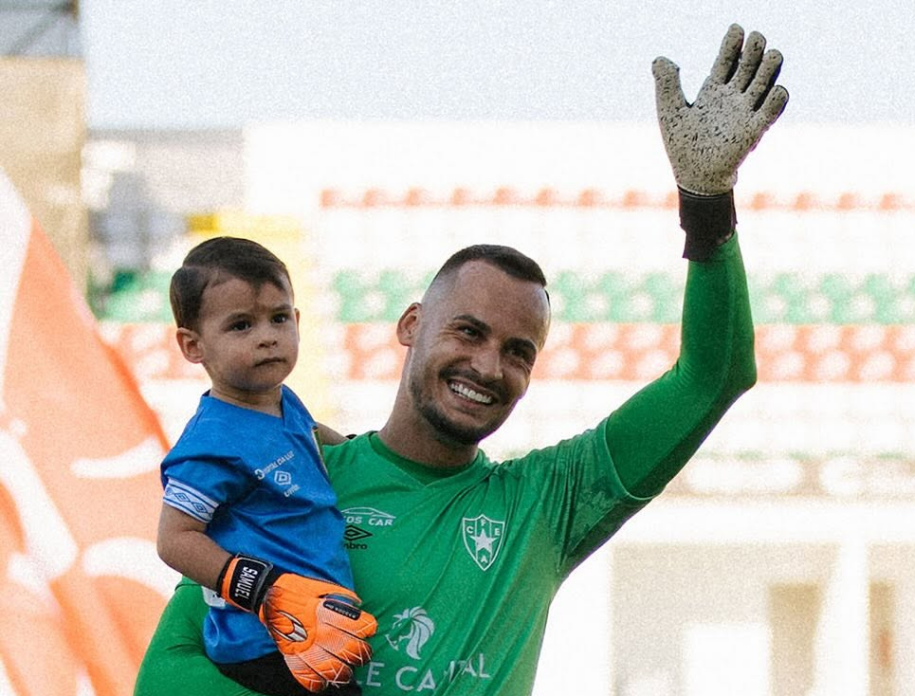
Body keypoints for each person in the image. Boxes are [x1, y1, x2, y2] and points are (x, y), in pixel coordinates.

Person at [135, 23, 788, 695]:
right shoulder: (292, 474)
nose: (487, 365)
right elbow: (165, 677)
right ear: (412, 325)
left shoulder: (549, 504)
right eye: (468, 332)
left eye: (518, 352)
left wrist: (706, 204)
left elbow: (713, 376)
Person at [157, 237, 377, 695]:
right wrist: (267, 590)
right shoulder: (210, 443)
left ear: (297, 320)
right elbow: (174, 539)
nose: (267, 335)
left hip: (321, 624)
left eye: (279, 317)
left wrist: (367, 454)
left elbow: (309, 432)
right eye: (241, 325)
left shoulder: (281, 398)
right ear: (193, 345)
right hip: (267, 644)